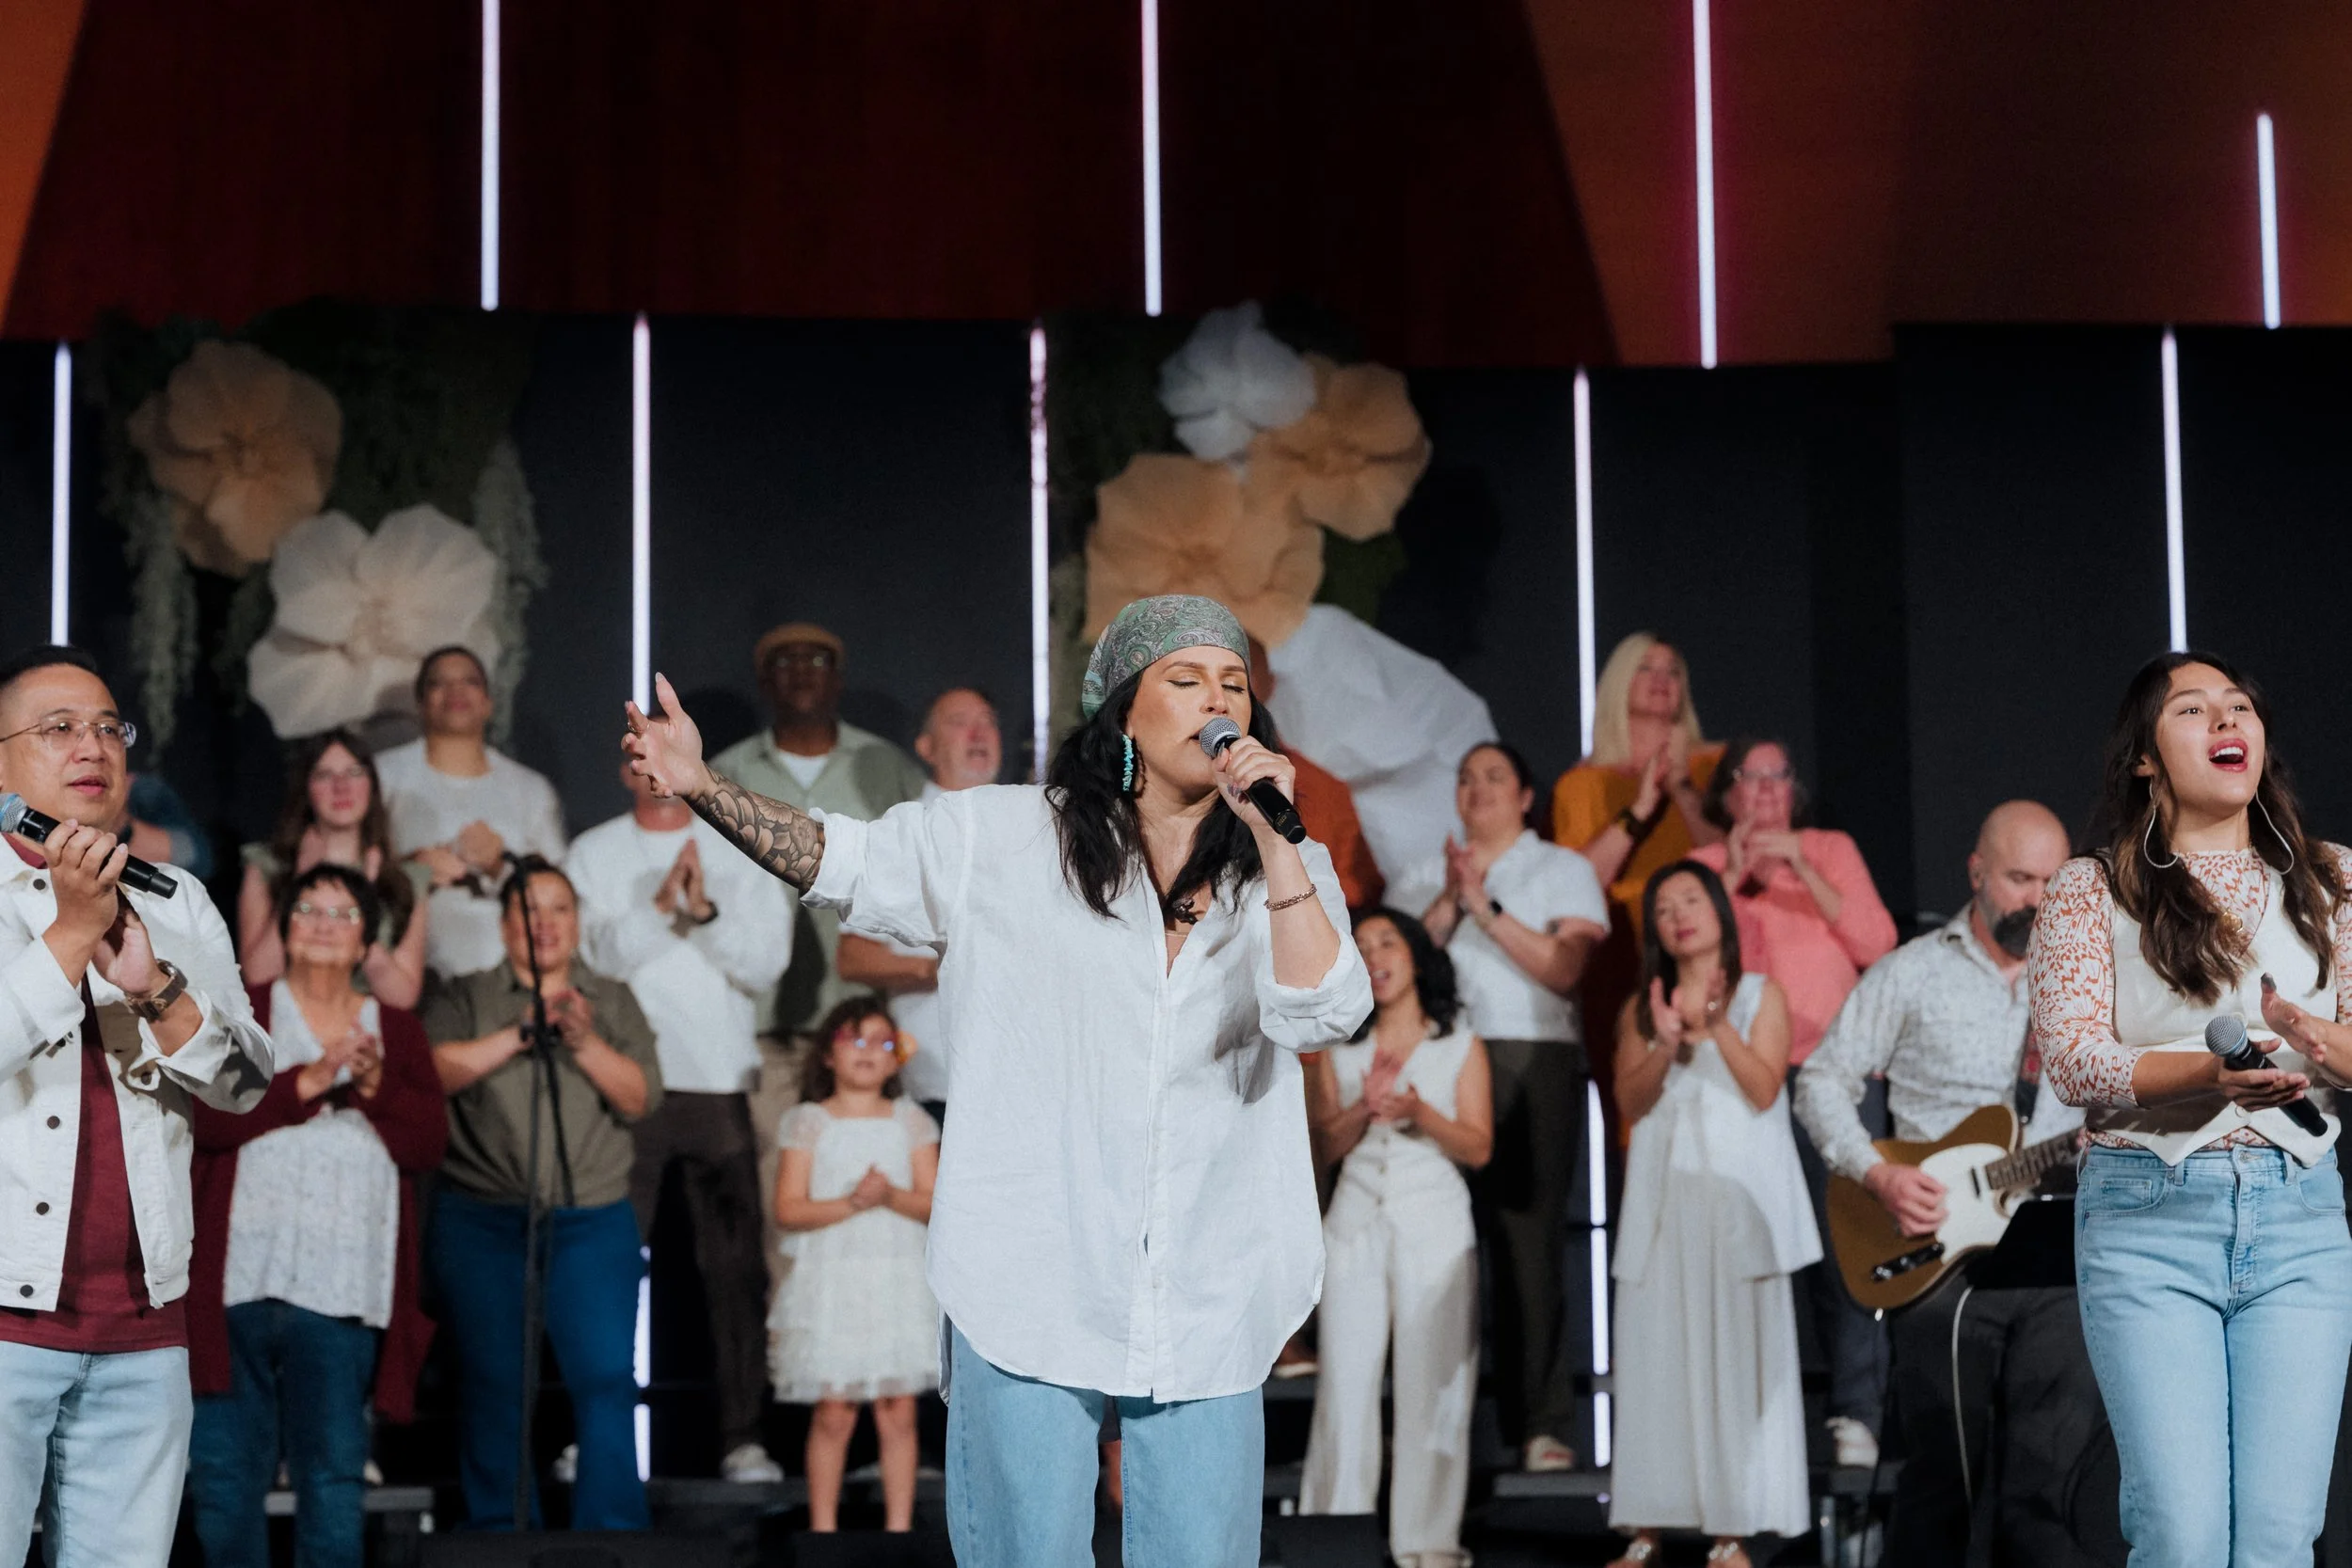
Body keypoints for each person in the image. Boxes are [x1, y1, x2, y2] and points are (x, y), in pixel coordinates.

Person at [623, 594, 1370, 1567]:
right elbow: (840, 859)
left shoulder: (1284, 866)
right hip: (1033, 1267)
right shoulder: (1005, 837)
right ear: (1123, 712)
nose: (1216, 700)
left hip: (1209, 1274)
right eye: (1185, 679)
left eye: (1233, 684)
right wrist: (699, 783)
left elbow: (1323, 1012)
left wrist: (1276, 840)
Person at [2034, 651, 2352, 1566]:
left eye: (2239, 706)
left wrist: (2308, 1035)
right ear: (2143, 757)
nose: (2225, 720)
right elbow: (2074, 1060)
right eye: (2192, 709)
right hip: (2149, 1215)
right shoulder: (2091, 886)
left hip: (2298, 1217)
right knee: (2182, 1535)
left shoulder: (2331, 877)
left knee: (2279, 1537)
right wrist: (2210, 1073)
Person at [0, 644, 273, 1566]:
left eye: (109, 727)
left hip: (145, 1326)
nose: (93, 746)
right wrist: (73, 933)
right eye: (58, 728)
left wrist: (158, 989)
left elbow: (244, 1082)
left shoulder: (179, 898)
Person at [1795, 800, 2103, 1564]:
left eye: (2053, 881)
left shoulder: (2089, 978)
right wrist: (1877, 1173)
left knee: (2047, 1487)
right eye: (2020, 879)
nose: (2038, 899)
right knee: (1942, 1486)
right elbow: (1821, 1080)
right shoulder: (1912, 971)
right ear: (1976, 873)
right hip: (1939, 1260)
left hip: (2055, 1257)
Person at [185, 863, 447, 1568]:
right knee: (223, 1484)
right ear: (284, 928)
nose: (324, 924)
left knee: (332, 1483)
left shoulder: (397, 1029)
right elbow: (207, 1123)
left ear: (367, 941)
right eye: (308, 909)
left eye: (343, 913)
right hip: (236, 1285)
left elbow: (427, 1144)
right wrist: (307, 1080)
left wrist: (374, 1084)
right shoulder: (244, 1012)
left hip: (342, 1291)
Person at [569, 759, 795, 1484]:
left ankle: (742, 1438)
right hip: (625, 1079)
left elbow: (766, 963)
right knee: (604, 1264)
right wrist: (662, 908)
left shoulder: (740, 845)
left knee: (733, 1270)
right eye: (642, 756)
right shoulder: (594, 852)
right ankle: (593, 1431)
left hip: (716, 1079)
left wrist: (705, 915)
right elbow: (591, 958)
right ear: (626, 766)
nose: (657, 773)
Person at [421, 859, 663, 1530]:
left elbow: (642, 1096)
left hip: (592, 1219)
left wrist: (583, 1041)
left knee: (607, 1378)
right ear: (504, 925)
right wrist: (519, 1032)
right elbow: (433, 1074)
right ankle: (500, 1534)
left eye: (560, 908)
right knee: (495, 1382)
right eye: (530, 909)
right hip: (482, 1217)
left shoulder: (611, 998)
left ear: (578, 921)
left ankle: (612, 1532)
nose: (546, 923)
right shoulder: (466, 994)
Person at [1690, 734, 1898, 1465]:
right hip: (1741, 1075)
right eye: (1752, 777)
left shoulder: (1830, 848)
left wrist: (1801, 866)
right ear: (1727, 793)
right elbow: (1695, 961)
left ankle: (1856, 1412)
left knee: (1847, 1241)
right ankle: (1747, 1417)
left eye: (1780, 776)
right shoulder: (1704, 866)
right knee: (1751, 1243)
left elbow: (1878, 943)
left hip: (1832, 1075)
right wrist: (1735, 876)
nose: (1768, 790)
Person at [1401, 741, 1608, 1471]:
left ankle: (1542, 1423)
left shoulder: (1561, 868)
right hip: (1443, 1056)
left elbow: (1564, 967)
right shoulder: (1424, 873)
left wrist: (1484, 908)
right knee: (1438, 1238)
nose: (1477, 788)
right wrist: (1451, 897)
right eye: (1466, 778)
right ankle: (1442, 1432)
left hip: (1530, 1053)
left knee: (1528, 1241)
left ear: (1525, 796)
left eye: (1495, 777)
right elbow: (1399, 964)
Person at [1608, 861, 1817, 1568]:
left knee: (1738, 1364)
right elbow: (1629, 1103)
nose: (1678, 917)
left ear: (1719, 911)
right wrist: (1668, 1042)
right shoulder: (1642, 1009)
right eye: (1663, 908)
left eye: (1690, 900)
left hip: (1738, 1208)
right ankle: (1645, 1528)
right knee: (1655, 1362)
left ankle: (1734, 1532)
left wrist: (1718, 1027)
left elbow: (1764, 1088)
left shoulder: (1761, 994)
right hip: (1665, 1203)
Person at [1300, 909, 1491, 1568]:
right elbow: (1322, 1147)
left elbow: (1479, 1145)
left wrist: (1418, 1112)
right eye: (1362, 946)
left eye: (1388, 942)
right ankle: (1336, 1536)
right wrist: (1365, 1106)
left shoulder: (1458, 1044)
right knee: (1345, 1385)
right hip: (1355, 1221)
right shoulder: (1340, 1047)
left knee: (1432, 1383)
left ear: (1416, 956)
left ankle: (1426, 1541)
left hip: (1433, 1223)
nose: (1375, 955)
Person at [707, 623, 930, 1039]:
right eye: (785, 662)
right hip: (755, 1022)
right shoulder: (726, 774)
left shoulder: (885, 767)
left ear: (838, 680)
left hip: (862, 1024)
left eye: (816, 660)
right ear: (764, 683)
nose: (802, 672)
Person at [770, 995, 940, 1534]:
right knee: (834, 1412)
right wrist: (852, 1203)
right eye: (854, 1039)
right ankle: (823, 1532)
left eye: (881, 1041)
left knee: (898, 1409)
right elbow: (788, 1208)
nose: (867, 1051)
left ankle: (898, 1529)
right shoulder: (809, 1122)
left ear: (896, 1058)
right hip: (834, 1285)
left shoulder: (910, 1121)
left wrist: (888, 1196)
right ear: (828, 1054)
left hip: (895, 1280)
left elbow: (936, 1203)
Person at [835, 687, 1002, 1118]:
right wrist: (939, 967)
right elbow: (854, 957)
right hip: (936, 1076)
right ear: (926, 748)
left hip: (1020, 1078)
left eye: (987, 721)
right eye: (959, 723)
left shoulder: (1032, 829)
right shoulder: (903, 834)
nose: (978, 733)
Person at [378, 645, 567, 981]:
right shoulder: (383, 776)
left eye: (470, 682)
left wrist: (499, 866)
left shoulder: (530, 789)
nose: (456, 691)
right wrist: (410, 870)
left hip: (506, 979)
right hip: (405, 969)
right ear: (420, 703)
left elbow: (559, 891)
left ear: (488, 703)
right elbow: (350, 873)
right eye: (439, 683)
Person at [238, 728, 429, 1008]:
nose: (342, 787)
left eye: (354, 773)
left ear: (372, 786)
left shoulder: (406, 879)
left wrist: (363, 903)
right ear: (306, 788)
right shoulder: (267, 866)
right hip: (286, 1017)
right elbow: (258, 976)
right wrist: (300, 882)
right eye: (325, 775)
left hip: (365, 1023)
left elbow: (402, 997)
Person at [1249, 637, 1385, 911]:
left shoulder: (1323, 790)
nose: (1224, 692)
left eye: (1241, 673)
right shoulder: (1164, 775)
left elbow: (1357, 891)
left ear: (1270, 684)